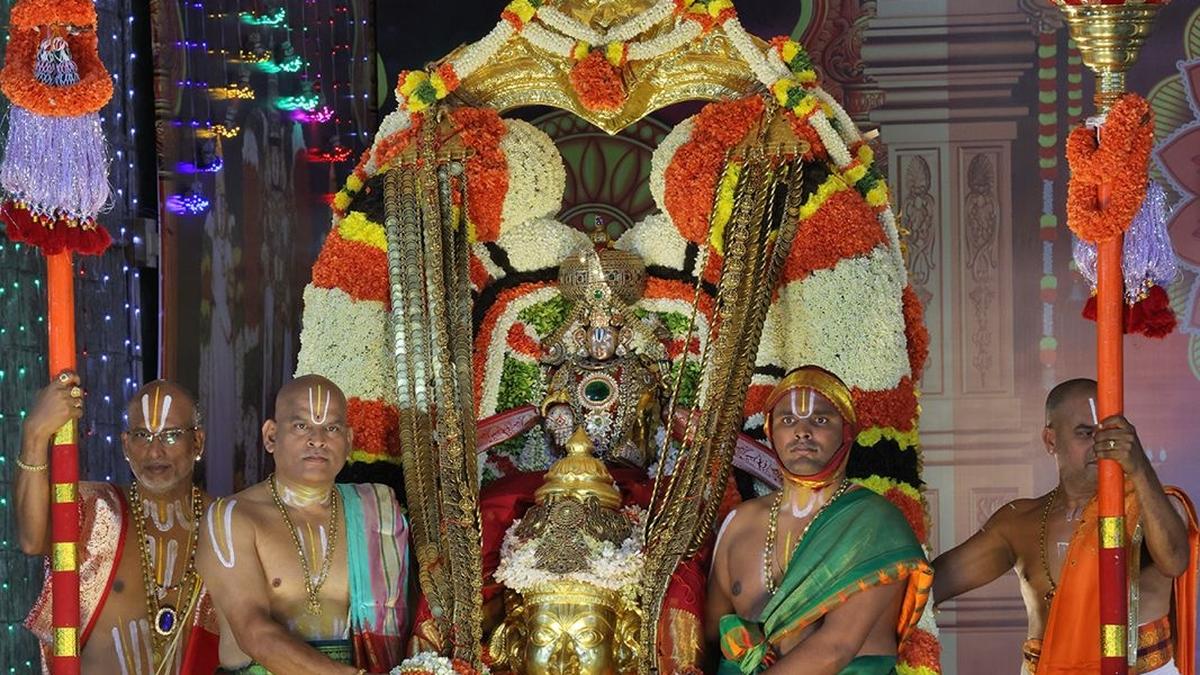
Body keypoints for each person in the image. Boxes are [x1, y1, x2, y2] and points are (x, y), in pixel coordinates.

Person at [932, 378, 1199, 674]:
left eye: (1111, 434)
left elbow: (1175, 561)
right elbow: (933, 584)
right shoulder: (1018, 522)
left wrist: (1140, 468)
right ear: (1051, 440)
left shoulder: (1151, 508)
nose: (1102, 445)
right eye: (1086, 434)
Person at [707, 366, 932, 674]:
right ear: (771, 431)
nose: (802, 431)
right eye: (788, 420)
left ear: (848, 431)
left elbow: (835, 649)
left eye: (820, 419)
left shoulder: (874, 523)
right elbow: (705, 639)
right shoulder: (737, 524)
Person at [197, 374, 410, 674]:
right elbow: (253, 632)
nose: (318, 439)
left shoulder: (377, 511)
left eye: (331, 428)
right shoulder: (232, 518)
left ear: (348, 441)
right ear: (271, 436)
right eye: (301, 426)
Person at [17, 373, 219, 674]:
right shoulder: (97, 509)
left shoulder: (228, 525)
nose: (154, 451)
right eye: (142, 436)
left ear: (198, 441)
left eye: (171, 435)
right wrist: (35, 435)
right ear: (125, 445)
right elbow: (32, 539)